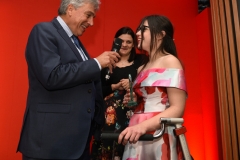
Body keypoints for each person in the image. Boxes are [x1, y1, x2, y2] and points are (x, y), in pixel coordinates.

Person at [16, 0, 121, 159]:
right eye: (88, 15)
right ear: (70, 9)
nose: (91, 23)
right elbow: (52, 76)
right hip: (50, 145)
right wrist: (96, 63)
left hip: (76, 144)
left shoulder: (76, 42)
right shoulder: (43, 31)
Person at [118, 15, 188, 160]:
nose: (137, 33)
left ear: (161, 35)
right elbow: (145, 101)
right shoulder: (141, 67)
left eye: (143, 29)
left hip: (159, 132)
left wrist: (142, 126)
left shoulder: (170, 61)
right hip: (136, 131)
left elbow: (177, 108)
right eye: (138, 29)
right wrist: (134, 101)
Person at [91, 27, 147, 160]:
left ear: (134, 44)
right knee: (106, 150)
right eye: (121, 41)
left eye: (128, 42)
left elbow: (146, 83)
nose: (124, 45)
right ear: (115, 41)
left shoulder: (141, 60)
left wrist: (132, 84)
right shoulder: (105, 62)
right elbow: (96, 91)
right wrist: (115, 86)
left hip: (132, 114)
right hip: (107, 118)